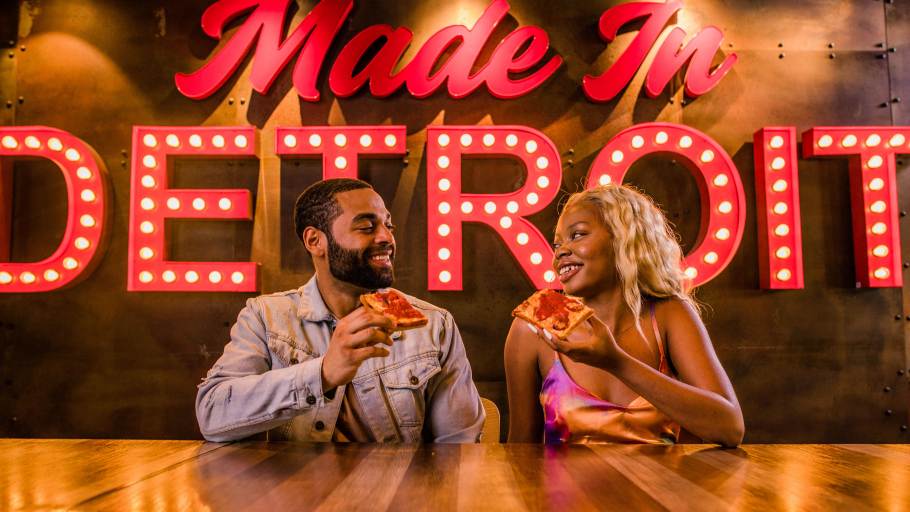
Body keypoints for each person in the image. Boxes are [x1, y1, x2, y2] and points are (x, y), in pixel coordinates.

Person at [197, 178, 484, 442]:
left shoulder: (434, 325)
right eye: (367, 227)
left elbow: (459, 449)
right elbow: (212, 414)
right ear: (315, 241)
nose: (387, 237)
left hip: (400, 495)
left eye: (388, 225)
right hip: (293, 495)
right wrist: (321, 375)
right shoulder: (266, 317)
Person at [504, 184, 744, 446]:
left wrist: (617, 362)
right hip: (565, 488)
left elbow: (729, 428)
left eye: (578, 235)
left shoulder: (668, 313)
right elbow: (520, 452)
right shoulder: (536, 324)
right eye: (558, 243)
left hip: (660, 486)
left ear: (625, 239)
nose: (560, 251)